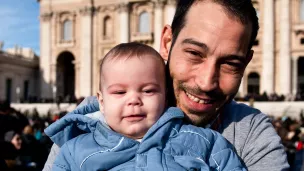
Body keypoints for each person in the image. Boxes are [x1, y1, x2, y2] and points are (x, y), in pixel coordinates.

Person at [43, 0, 289, 170]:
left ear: (246, 63)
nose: (206, 82)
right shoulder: (89, 120)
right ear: (167, 42)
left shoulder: (250, 134)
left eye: (230, 64)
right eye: (194, 53)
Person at [45, 42, 246, 171]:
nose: (134, 100)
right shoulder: (74, 150)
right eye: (120, 92)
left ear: (165, 97)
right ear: (101, 102)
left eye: (148, 91)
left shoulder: (204, 142)